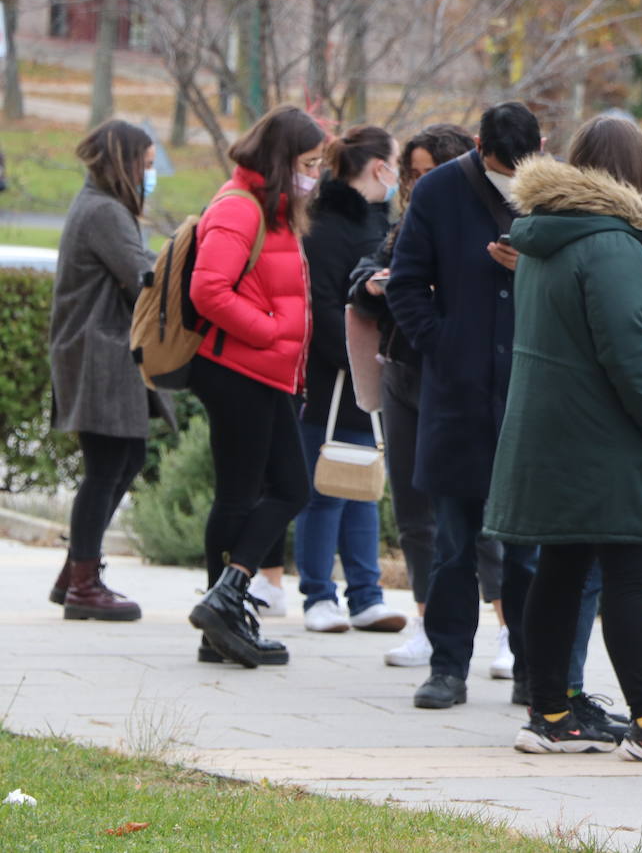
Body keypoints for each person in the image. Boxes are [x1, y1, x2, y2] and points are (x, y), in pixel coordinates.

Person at [485, 115, 642, 764]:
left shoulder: (548, 236)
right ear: (635, 177)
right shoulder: (613, 244)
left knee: (561, 570)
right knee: (626, 574)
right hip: (607, 440)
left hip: (559, 436)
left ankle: (551, 712)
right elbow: (633, 356)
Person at [386, 102, 541, 709]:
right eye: (502, 170)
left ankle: (533, 666)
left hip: (531, 392)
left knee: (528, 549)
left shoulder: (552, 190)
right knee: (453, 542)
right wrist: (443, 345)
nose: (511, 184)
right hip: (457, 393)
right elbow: (404, 283)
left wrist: (532, 266)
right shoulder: (438, 191)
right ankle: (448, 666)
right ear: (478, 147)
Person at [186, 104, 326, 667]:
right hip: (241, 371)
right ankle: (223, 605)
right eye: (309, 162)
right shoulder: (240, 208)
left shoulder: (274, 210)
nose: (314, 174)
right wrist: (268, 333)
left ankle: (221, 611)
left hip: (264, 372)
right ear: (282, 158)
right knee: (270, 491)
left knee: (263, 491)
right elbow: (208, 290)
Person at [346, 124, 475, 664]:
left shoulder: (483, 221)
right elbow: (359, 275)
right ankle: (425, 619)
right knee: (414, 510)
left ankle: (505, 629)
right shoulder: (405, 227)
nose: (417, 185)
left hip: (461, 382)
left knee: (474, 515)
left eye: (428, 174)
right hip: (403, 374)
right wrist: (376, 283)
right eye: (412, 174)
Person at [47, 119, 174, 622]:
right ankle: (83, 585)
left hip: (102, 351)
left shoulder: (103, 206)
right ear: (123, 163)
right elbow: (143, 273)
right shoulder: (104, 212)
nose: (150, 175)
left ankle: (75, 570)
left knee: (124, 458)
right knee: (106, 467)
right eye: (145, 166)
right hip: (98, 353)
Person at [288, 125, 407, 634]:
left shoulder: (382, 225)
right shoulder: (327, 226)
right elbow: (320, 306)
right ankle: (319, 594)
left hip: (366, 374)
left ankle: (366, 594)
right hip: (331, 377)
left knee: (362, 483)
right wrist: (358, 358)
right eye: (396, 163)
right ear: (379, 166)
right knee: (325, 486)